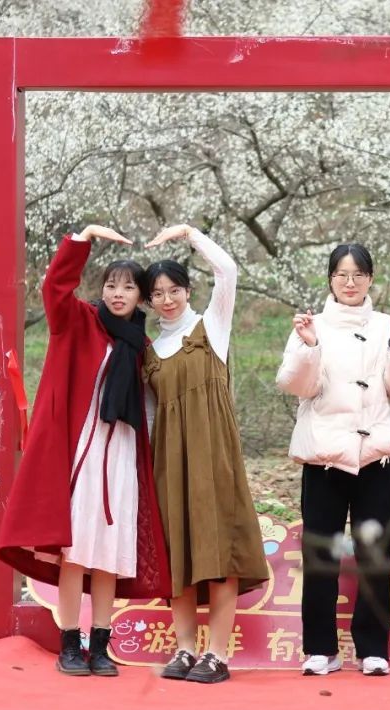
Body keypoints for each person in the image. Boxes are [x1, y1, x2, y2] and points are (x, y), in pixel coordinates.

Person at [0, 225, 171, 677]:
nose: (118, 294)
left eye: (128, 287)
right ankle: (70, 644)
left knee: (110, 554)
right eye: (111, 285)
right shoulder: (78, 320)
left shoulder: (141, 344)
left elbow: (153, 405)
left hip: (123, 457)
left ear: (141, 297)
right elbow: (54, 288)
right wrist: (83, 239)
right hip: (83, 457)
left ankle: (101, 646)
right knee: (75, 552)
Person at [276, 244, 390, 677]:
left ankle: (373, 648)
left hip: (375, 456)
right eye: (342, 274)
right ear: (330, 279)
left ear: (370, 279)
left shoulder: (386, 326)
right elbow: (295, 385)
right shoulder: (312, 326)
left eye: (358, 274)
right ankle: (320, 648)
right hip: (324, 456)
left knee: (375, 554)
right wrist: (309, 348)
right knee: (320, 553)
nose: (350, 282)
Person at [142, 224, 268, 684]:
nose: (167, 300)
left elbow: (228, 270)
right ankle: (184, 650)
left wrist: (190, 234)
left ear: (188, 291)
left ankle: (217, 655)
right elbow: (150, 416)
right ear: (148, 301)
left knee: (219, 554)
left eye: (174, 290)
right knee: (179, 556)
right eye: (158, 294)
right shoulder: (150, 352)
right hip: (169, 464)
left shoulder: (211, 325)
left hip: (214, 457)